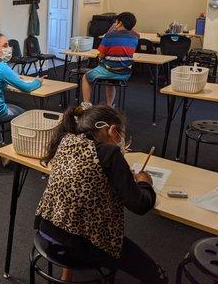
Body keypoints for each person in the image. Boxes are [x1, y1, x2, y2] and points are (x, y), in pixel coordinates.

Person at [34, 104, 167, 283]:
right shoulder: (109, 153)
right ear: (112, 130)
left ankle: (67, 274)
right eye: (121, 134)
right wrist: (145, 183)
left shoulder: (66, 140)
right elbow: (140, 204)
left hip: (47, 228)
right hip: (79, 241)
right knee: (154, 273)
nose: (122, 142)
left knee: (75, 213)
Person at [81, 12, 139, 108]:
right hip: (125, 73)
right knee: (110, 81)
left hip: (108, 70)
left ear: (119, 23)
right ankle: (109, 105)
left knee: (86, 77)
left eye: (116, 22)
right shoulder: (135, 38)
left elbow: (101, 55)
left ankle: (86, 105)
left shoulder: (109, 36)